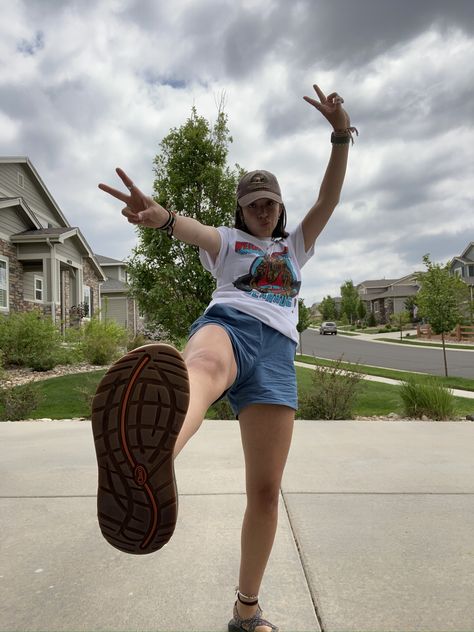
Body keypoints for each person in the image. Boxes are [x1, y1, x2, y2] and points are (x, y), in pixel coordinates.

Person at [92, 84, 356, 632]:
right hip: (228, 327)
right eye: (253, 203)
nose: (262, 209)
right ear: (240, 210)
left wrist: (339, 136)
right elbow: (185, 228)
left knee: (265, 492)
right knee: (202, 370)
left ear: (280, 208)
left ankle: (246, 611)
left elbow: (328, 199)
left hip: (279, 356)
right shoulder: (228, 242)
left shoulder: (296, 245)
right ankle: (153, 458)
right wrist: (159, 217)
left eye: (270, 202)